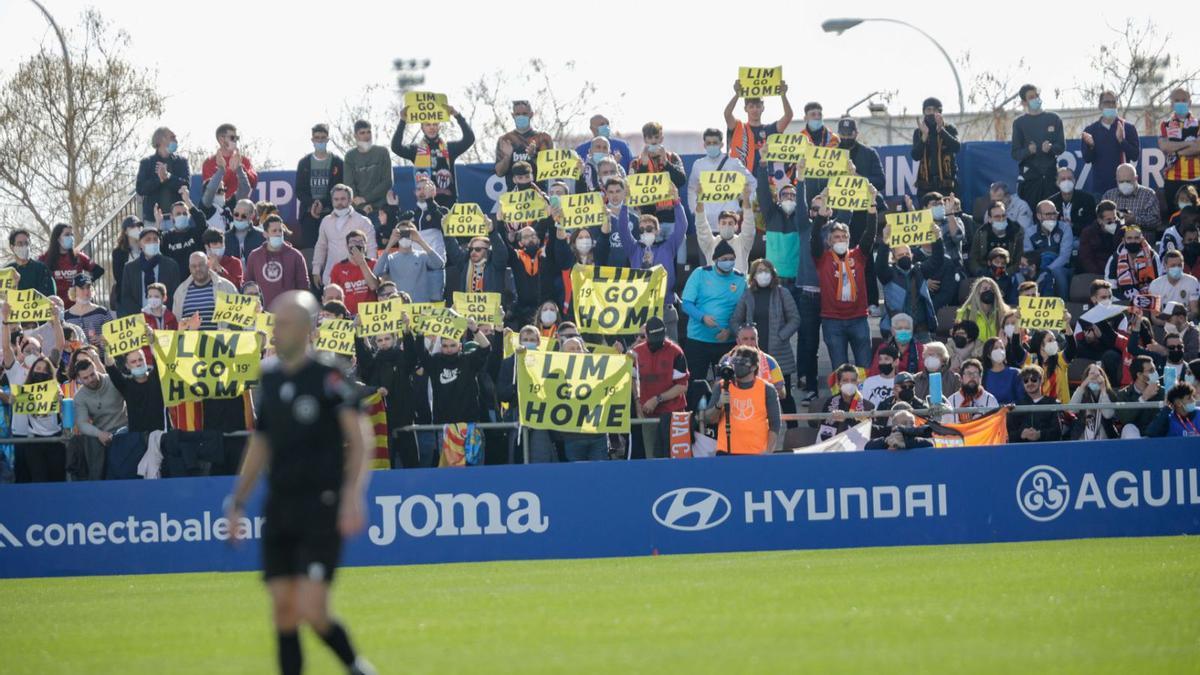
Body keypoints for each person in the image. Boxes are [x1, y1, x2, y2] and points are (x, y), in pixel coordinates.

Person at [224, 291, 375, 675]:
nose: (276, 331)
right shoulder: (270, 378)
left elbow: (359, 438)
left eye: (285, 323)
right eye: (275, 322)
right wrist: (237, 501)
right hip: (280, 507)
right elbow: (261, 443)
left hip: (321, 506)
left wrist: (353, 495)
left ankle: (356, 666)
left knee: (312, 609)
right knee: (284, 610)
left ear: (307, 328)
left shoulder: (330, 376)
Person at [755, 151, 819, 399]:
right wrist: (762, 167)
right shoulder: (771, 216)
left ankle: (801, 378)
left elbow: (803, 204)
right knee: (773, 333)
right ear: (779, 199)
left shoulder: (803, 222)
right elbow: (762, 193)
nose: (790, 198)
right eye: (785, 195)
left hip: (798, 285)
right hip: (774, 285)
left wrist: (800, 181)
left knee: (802, 331)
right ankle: (769, 378)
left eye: (792, 195)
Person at [812, 207, 879, 370]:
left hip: (858, 319)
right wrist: (821, 216)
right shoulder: (822, 257)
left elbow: (870, 234)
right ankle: (839, 396)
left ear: (848, 240)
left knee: (865, 366)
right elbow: (814, 237)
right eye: (836, 237)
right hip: (832, 320)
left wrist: (872, 212)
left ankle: (865, 396)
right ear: (829, 241)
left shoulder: (858, 255)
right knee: (839, 369)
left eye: (843, 237)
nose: (840, 240)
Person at [615, 194, 688, 340]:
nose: (645, 232)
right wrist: (625, 204)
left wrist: (676, 201)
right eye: (641, 230)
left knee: (671, 352)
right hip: (640, 308)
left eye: (649, 228)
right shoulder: (634, 249)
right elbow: (622, 228)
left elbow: (682, 226)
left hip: (665, 306)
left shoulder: (667, 247)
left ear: (657, 231)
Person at [680, 240, 746, 382]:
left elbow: (743, 310)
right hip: (698, 340)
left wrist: (730, 330)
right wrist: (702, 317)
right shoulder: (700, 273)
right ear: (715, 260)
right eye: (724, 259)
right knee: (695, 382)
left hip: (727, 342)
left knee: (727, 384)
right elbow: (686, 304)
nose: (728, 262)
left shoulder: (740, 279)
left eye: (731, 259)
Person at [730, 259, 799, 393]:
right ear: (753, 275)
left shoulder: (782, 293)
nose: (763, 274)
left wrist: (781, 336)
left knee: (784, 395)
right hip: (753, 351)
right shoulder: (747, 295)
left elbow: (795, 319)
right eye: (760, 271)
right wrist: (743, 337)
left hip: (779, 352)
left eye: (766, 271)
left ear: (773, 274)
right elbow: (735, 320)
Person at [392, 101, 475, 208]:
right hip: (425, 202)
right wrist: (403, 120)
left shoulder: (449, 148)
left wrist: (457, 115)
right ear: (422, 128)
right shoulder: (416, 149)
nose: (432, 127)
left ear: (439, 127)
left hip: (449, 202)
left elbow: (469, 139)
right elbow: (396, 147)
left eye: (435, 124)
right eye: (428, 124)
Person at [628, 317, 688, 460]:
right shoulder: (636, 352)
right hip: (648, 415)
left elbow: (682, 386)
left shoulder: (676, 352)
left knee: (677, 459)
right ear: (646, 335)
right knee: (652, 459)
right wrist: (637, 401)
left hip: (674, 415)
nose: (657, 342)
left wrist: (657, 399)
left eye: (660, 338)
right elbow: (632, 379)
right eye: (653, 338)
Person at [704, 345, 780, 455]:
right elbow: (709, 419)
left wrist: (768, 451)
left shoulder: (767, 389)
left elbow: (775, 423)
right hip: (726, 452)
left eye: (742, 362)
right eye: (735, 361)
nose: (737, 366)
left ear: (754, 367)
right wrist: (718, 405)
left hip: (757, 453)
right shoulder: (722, 386)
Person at [874, 235, 940, 341]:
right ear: (893, 258)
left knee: (923, 357)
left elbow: (937, 260)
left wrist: (937, 238)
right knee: (902, 357)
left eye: (907, 254)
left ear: (912, 255)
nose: (904, 257)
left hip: (922, 331)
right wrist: (885, 241)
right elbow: (880, 265)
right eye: (900, 255)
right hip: (899, 329)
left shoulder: (920, 270)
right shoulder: (888, 274)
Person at [688, 128, 757, 229]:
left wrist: (744, 206)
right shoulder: (698, 164)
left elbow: (752, 183)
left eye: (715, 143)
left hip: (729, 222)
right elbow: (691, 189)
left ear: (721, 144)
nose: (712, 145)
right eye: (709, 143)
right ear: (704, 145)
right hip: (706, 224)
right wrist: (694, 210)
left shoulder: (733, 163)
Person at [72, 355, 129, 476]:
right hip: (102, 434)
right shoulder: (79, 397)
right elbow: (82, 424)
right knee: (90, 440)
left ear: (96, 369)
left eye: (92, 374)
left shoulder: (113, 380)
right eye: (85, 378)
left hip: (125, 428)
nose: (90, 379)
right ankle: (96, 482)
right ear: (79, 379)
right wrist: (99, 434)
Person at [312, 184, 378, 288]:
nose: (339, 202)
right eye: (336, 199)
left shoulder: (363, 221)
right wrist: (316, 270)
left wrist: (370, 273)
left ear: (350, 200)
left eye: (343, 199)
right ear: (332, 200)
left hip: (357, 279)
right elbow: (321, 246)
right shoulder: (326, 221)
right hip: (331, 278)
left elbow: (371, 248)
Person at [723, 79, 793, 175]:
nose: (755, 110)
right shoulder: (739, 127)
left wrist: (783, 95)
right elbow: (727, 114)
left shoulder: (770, 129)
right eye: (751, 106)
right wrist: (737, 95)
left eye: (758, 106)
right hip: (743, 179)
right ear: (745, 109)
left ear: (763, 108)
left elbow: (788, 116)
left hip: (765, 180)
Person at [1011, 84, 1065, 206]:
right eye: (1031, 97)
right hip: (1030, 180)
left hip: (1051, 178)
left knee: (1053, 212)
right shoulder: (1019, 123)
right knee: (1033, 215)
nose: (1035, 99)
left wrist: (1051, 148)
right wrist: (1028, 151)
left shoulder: (1054, 118)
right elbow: (1015, 153)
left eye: (1037, 95)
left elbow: (1061, 146)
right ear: (1024, 103)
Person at [628, 122, 687, 226]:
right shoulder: (635, 163)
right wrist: (644, 165)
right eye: (650, 138)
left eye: (656, 137)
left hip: (672, 218)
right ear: (645, 139)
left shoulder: (672, 157)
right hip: (648, 221)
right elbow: (633, 190)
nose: (653, 141)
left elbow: (681, 181)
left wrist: (666, 163)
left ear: (661, 139)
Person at [1081, 92, 1140, 196]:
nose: (1111, 105)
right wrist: (1091, 146)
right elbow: (1087, 159)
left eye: (1114, 102)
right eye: (1107, 102)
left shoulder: (1127, 128)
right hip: (1100, 190)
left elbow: (1135, 156)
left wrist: (1122, 141)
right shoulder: (1091, 130)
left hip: (1124, 187)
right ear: (1100, 106)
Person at [296, 123, 344, 248]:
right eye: (317, 138)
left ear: (328, 139)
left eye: (323, 137)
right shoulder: (304, 163)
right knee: (311, 254)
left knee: (332, 251)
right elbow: (299, 190)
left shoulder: (338, 162)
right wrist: (313, 204)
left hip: (332, 214)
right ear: (312, 140)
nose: (320, 140)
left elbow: (340, 189)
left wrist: (323, 203)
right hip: (308, 216)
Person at [373, 220, 445, 304]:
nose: (404, 236)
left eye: (408, 233)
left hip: (420, 306)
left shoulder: (422, 256)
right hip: (399, 305)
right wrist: (390, 243)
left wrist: (420, 241)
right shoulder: (391, 258)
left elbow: (439, 264)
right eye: (401, 233)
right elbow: (376, 272)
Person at [246, 216, 310, 309]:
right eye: (274, 231)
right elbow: (248, 283)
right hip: (262, 313)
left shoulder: (295, 256)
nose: (278, 234)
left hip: (287, 313)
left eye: (280, 231)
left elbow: (303, 285)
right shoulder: (255, 256)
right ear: (265, 234)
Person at [117, 227, 181, 317]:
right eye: (148, 239)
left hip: (164, 319)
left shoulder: (171, 265)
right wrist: (142, 314)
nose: (152, 242)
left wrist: (161, 313)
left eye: (155, 239)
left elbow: (175, 294)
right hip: (139, 320)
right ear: (140, 244)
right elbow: (126, 297)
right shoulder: (130, 268)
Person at [1158, 88, 1200, 221]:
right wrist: (1189, 144)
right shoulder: (1165, 124)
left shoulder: (1198, 123)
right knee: (1175, 219)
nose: (1181, 103)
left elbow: (1198, 147)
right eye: (1177, 100)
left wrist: (1175, 149)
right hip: (1173, 179)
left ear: (1190, 102)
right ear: (1171, 103)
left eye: (1184, 100)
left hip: (1197, 178)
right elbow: (1164, 146)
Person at [40, 223, 104, 309]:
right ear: (57, 238)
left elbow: (99, 270)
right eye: (67, 235)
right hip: (55, 307)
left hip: (77, 307)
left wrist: (85, 282)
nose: (70, 237)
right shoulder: (44, 258)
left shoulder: (79, 256)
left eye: (71, 235)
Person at [494, 100, 554, 189]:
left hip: (539, 194)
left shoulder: (543, 138)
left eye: (524, 113)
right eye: (517, 114)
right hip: (514, 197)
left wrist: (533, 156)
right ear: (513, 115)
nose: (521, 116)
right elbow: (499, 173)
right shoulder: (505, 140)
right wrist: (507, 156)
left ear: (531, 114)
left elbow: (549, 170)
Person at [694, 186, 756, 272]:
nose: (727, 225)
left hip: (738, 284)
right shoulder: (710, 244)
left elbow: (749, 224)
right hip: (715, 285)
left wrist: (746, 198)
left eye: (730, 223)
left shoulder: (743, 243)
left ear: (736, 226)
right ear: (718, 225)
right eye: (723, 223)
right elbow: (701, 225)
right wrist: (700, 199)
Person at [136, 126, 189, 222]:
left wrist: (168, 176)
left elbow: (186, 185)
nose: (176, 140)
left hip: (177, 219)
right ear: (161, 140)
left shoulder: (181, 162)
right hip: (153, 220)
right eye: (172, 137)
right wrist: (159, 180)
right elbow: (140, 189)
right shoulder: (147, 163)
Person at [343, 120, 392, 224]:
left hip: (382, 209)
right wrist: (362, 206)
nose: (366, 136)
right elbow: (349, 185)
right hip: (360, 210)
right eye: (362, 133)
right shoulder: (350, 156)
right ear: (355, 136)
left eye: (368, 132)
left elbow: (388, 181)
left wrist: (366, 199)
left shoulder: (382, 152)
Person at [173, 252, 237, 330]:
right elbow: (175, 324)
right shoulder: (180, 292)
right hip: (190, 341)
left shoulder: (227, 287)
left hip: (220, 341)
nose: (198, 269)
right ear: (189, 268)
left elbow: (237, 321)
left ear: (208, 265)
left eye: (201, 265)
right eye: (194, 266)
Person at [911, 97, 961, 197]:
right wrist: (924, 136)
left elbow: (957, 147)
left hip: (947, 187)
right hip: (925, 187)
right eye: (928, 110)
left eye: (935, 110)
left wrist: (941, 130)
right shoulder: (919, 132)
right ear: (924, 112)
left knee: (949, 212)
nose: (931, 113)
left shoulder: (949, 128)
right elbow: (915, 156)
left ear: (940, 112)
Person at [812, 363, 874, 442]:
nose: (849, 383)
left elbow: (868, 434)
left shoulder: (867, 406)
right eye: (845, 380)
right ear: (838, 383)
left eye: (853, 380)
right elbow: (824, 434)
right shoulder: (830, 403)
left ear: (858, 382)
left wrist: (846, 420)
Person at [1026, 200, 1073, 299]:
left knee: (1057, 272)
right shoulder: (1029, 232)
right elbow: (1029, 257)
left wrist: (1048, 269)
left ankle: (1063, 305)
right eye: (1048, 214)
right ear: (1039, 216)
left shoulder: (1065, 228)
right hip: (1039, 267)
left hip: (1062, 267)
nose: (1052, 217)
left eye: (1054, 213)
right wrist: (1039, 270)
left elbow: (1065, 257)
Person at [1006, 364, 1063, 443]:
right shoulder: (1016, 407)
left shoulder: (1053, 404)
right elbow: (1008, 436)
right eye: (1026, 381)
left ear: (1041, 380)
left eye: (1033, 379)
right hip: (1022, 451)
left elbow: (1058, 432)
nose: (1029, 383)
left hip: (1047, 450)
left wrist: (1040, 434)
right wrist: (1021, 434)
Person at [1104, 225, 1162, 302]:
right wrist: (1127, 302)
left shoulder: (1153, 256)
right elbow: (1110, 287)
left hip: (1150, 300)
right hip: (1124, 302)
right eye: (1129, 238)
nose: (1133, 241)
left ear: (1141, 239)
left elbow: (1161, 281)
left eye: (1136, 238)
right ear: (1124, 240)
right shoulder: (1114, 259)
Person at [201, 123, 258, 200]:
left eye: (237, 138)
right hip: (220, 207)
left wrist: (241, 169)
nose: (236, 140)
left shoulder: (244, 160)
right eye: (232, 138)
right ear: (221, 140)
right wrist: (228, 170)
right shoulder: (209, 163)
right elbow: (211, 189)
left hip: (240, 207)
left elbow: (254, 182)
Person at [968, 200, 1023, 277]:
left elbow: (1019, 259)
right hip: (985, 273)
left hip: (1009, 274)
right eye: (997, 217)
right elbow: (973, 258)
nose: (1001, 219)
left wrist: (1007, 273)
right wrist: (980, 271)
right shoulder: (981, 233)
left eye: (1003, 216)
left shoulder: (1016, 232)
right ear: (990, 219)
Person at [1101, 163, 1161, 232]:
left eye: (1128, 181)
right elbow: (1100, 220)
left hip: (1141, 237)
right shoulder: (1109, 195)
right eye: (1121, 182)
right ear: (1116, 180)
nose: (1124, 184)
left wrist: (1135, 220)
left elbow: (1156, 221)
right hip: (1114, 238)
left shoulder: (1148, 195)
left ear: (1136, 178)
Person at [1068, 362, 1118, 440]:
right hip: (1082, 438)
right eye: (1091, 374)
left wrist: (1103, 390)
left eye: (1097, 375)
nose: (1094, 377)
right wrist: (1083, 385)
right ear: (1086, 377)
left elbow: (1108, 415)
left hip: (1104, 439)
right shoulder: (1082, 393)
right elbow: (1071, 409)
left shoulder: (1110, 394)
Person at [942, 359, 998, 424]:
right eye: (968, 373)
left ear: (980, 378)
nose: (972, 377)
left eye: (975, 373)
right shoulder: (951, 401)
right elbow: (946, 426)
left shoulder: (990, 400)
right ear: (961, 378)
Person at [836, 119, 884, 192]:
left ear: (856, 133)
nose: (846, 137)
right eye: (843, 134)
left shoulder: (870, 153)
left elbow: (880, 182)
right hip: (837, 196)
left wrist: (858, 178)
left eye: (849, 134)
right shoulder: (832, 153)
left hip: (863, 197)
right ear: (838, 134)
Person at [957, 277, 1010, 344]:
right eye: (985, 288)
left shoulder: (1003, 312)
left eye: (991, 289)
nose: (988, 291)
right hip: (974, 352)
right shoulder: (965, 312)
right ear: (977, 292)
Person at [1149, 251, 1200, 318]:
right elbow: (1154, 317)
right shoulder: (1155, 285)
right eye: (1173, 265)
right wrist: (1171, 323)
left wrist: (1180, 321)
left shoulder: (1192, 282)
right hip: (1163, 324)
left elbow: (1194, 311)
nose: (1177, 268)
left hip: (1186, 323)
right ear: (1165, 266)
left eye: (1179, 265)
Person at [1078, 200, 1124, 275]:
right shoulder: (1088, 233)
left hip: (1117, 271)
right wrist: (1100, 274)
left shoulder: (1121, 231)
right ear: (1100, 220)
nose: (1113, 222)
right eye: (1109, 220)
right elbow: (1086, 258)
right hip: (1097, 272)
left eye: (1114, 219)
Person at [6, 229, 55, 298]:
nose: (24, 246)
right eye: (20, 243)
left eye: (26, 243)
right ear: (12, 247)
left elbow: (50, 297)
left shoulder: (41, 269)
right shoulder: (7, 271)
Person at [1049, 166, 1096, 237]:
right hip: (1058, 239)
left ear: (1074, 181)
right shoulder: (1051, 202)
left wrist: (1073, 225)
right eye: (1063, 179)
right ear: (1057, 183)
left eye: (1069, 178)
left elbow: (1092, 225)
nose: (1066, 181)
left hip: (1081, 238)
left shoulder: (1087, 199)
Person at [864, 409, 934, 451]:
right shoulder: (887, 439)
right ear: (894, 426)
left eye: (912, 423)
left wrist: (904, 444)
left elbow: (930, 444)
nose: (911, 426)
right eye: (904, 423)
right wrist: (887, 442)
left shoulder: (917, 440)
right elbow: (868, 446)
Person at [981, 336, 1022, 405]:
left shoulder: (1015, 373)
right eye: (995, 348)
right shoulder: (983, 375)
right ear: (988, 354)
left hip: (1011, 414)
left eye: (1002, 348)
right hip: (991, 414)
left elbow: (1021, 399)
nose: (1000, 351)